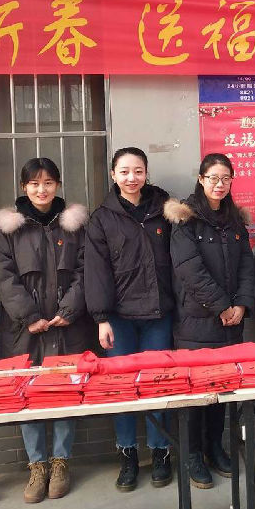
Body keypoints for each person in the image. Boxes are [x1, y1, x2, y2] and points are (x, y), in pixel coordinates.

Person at [0, 158, 90, 503]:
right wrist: (28, 315)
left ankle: (60, 461)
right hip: (26, 329)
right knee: (28, 394)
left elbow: (86, 270)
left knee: (65, 391)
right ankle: (37, 465)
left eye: (48, 182)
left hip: (67, 325)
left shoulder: (74, 224)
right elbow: (4, 276)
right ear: (24, 187)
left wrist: (69, 310)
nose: (42, 189)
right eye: (34, 183)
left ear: (58, 185)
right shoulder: (10, 229)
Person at [84, 147, 175, 491]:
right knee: (121, 388)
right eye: (124, 171)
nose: (131, 178)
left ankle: (161, 452)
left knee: (156, 383)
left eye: (138, 171)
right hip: (118, 318)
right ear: (113, 175)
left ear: (146, 173)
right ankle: (127, 454)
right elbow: (96, 271)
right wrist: (101, 318)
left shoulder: (165, 209)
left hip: (158, 314)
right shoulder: (102, 218)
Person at [164, 153, 254, 489]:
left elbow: (247, 265)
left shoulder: (234, 220)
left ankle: (215, 447)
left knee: (221, 390)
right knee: (194, 393)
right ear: (201, 179)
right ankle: (192, 455)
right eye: (213, 178)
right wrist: (221, 306)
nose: (219, 184)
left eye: (226, 178)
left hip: (230, 323)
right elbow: (189, 270)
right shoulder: (185, 219)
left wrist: (241, 304)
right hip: (195, 321)